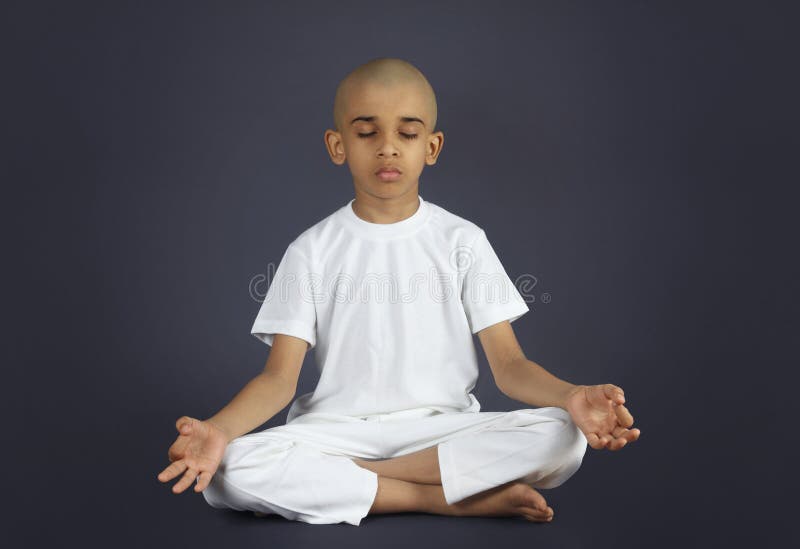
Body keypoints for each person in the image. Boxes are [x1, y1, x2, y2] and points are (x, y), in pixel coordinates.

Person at [157, 57, 641, 527]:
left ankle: (365, 486)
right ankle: (444, 499)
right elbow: (279, 381)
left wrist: (572, 396)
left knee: (562, 437)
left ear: (431, 147)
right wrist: (218, 431)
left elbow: (511, 369)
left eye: (407, 134)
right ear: (337, 144)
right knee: (228, 469)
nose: (388, 148)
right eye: (367, 133)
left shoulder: (462, 241)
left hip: (440, 429)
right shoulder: (311, 250)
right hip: (336, 433)